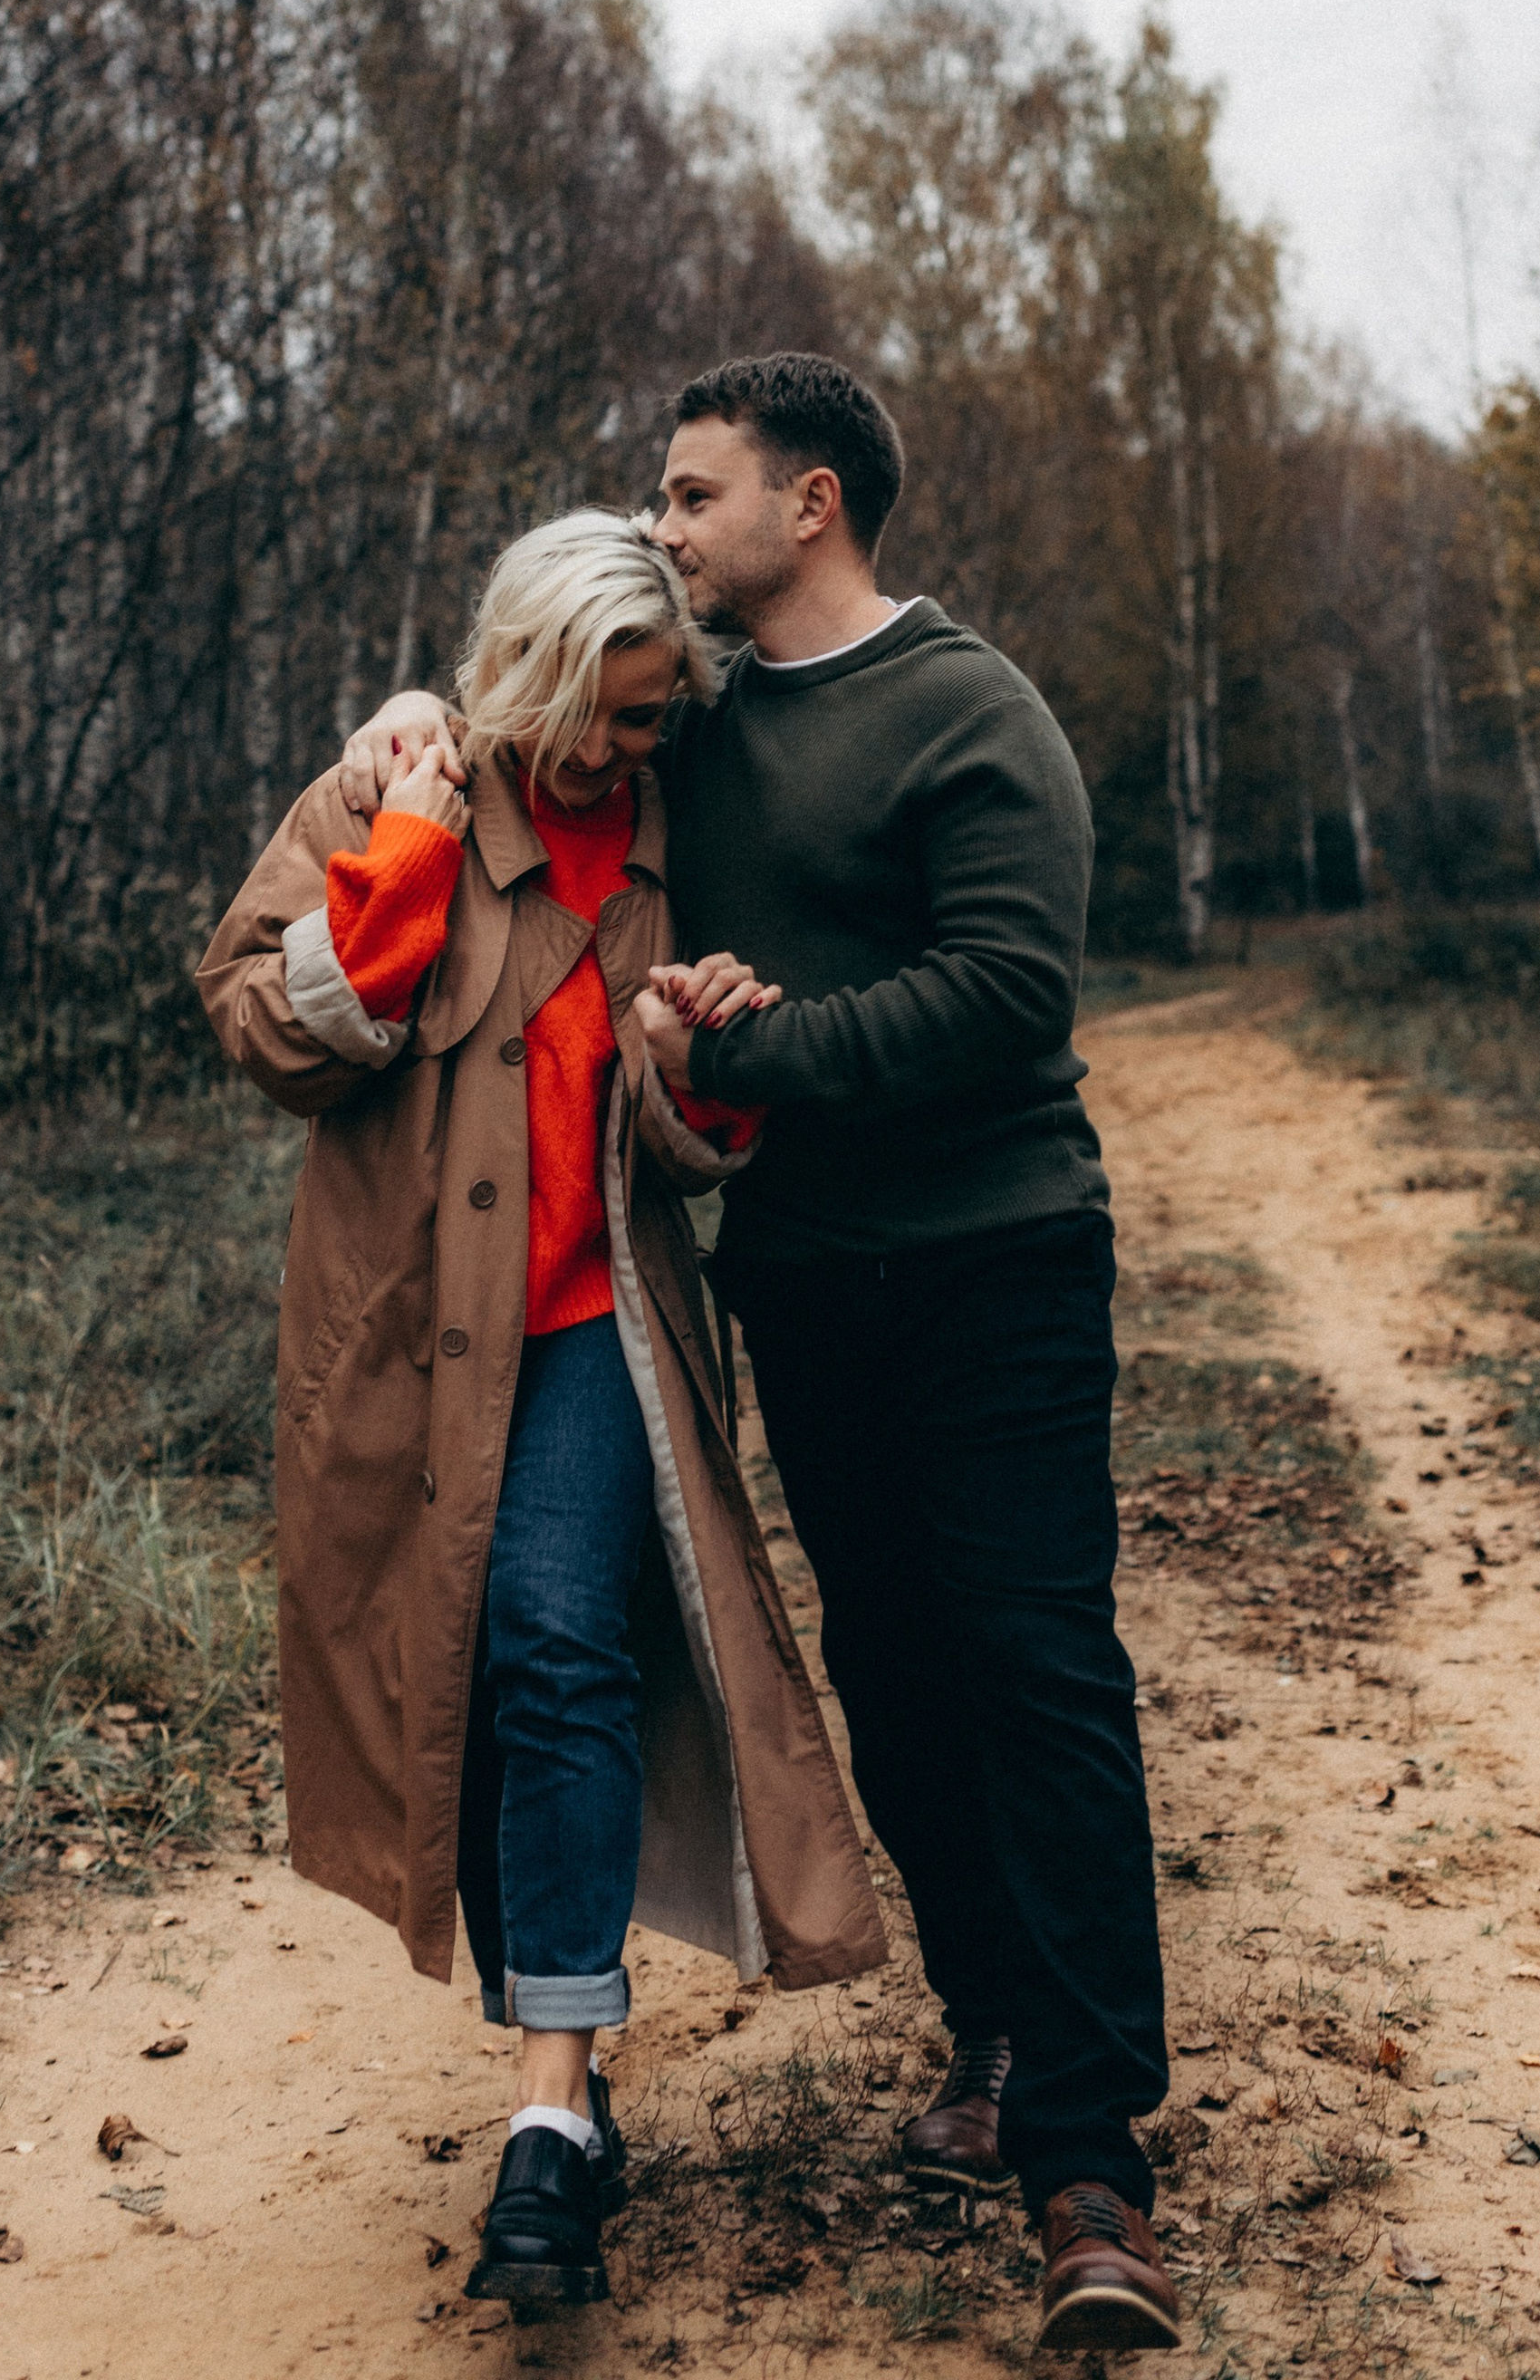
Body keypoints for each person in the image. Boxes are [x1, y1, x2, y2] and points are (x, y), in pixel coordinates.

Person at [346, 360, 1179, 2354]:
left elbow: (1000, 994)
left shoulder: (967, 708)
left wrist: (744, 1045)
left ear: (809, 505)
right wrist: (412, 724)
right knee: (889, 1662)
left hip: (995, 1265)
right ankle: (992, 2031)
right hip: (802, 1282)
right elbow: (551, 759)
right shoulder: (693, 726)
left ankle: (1089, 2158)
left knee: (1036, 1665)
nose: (662, 514)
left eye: (690, 488)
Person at [199, 510, 885, 2317]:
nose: (623, 750)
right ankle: (563, 2057)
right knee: (478, 1693)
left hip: (592, 1326)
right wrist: (398, 868)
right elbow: (259, 1024)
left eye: (655, 718)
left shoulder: (678, 848)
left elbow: (678, 1140)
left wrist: (690, 1073)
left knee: (561, 1649)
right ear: (529, 674)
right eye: (604, 710)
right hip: (409, 1337)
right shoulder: (401, 788)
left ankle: (549, 2114)